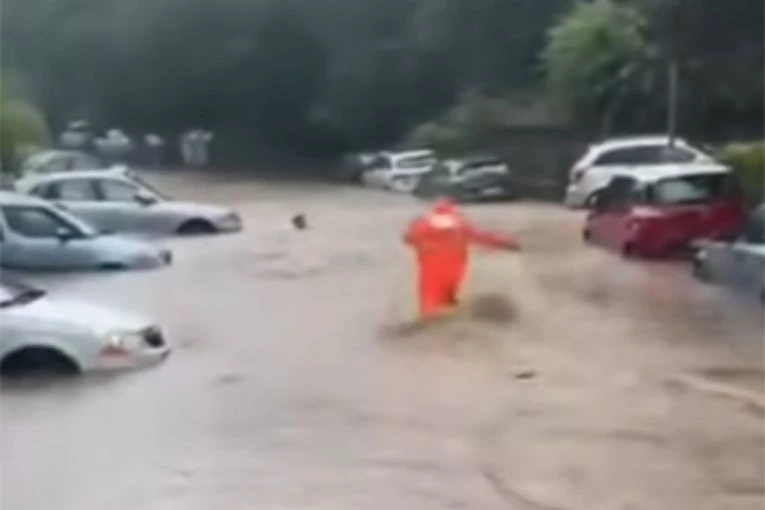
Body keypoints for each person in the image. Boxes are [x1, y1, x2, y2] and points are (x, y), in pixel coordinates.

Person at [404, 199, 520, 319]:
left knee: (431, 295)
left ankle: (432, 316)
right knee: (449, 291)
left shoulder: (423, 226)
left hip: (433, 269)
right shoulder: (460, 227)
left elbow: (409, 239)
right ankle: (444, 311)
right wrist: (506, 243)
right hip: (454, 269)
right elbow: (483, 237)